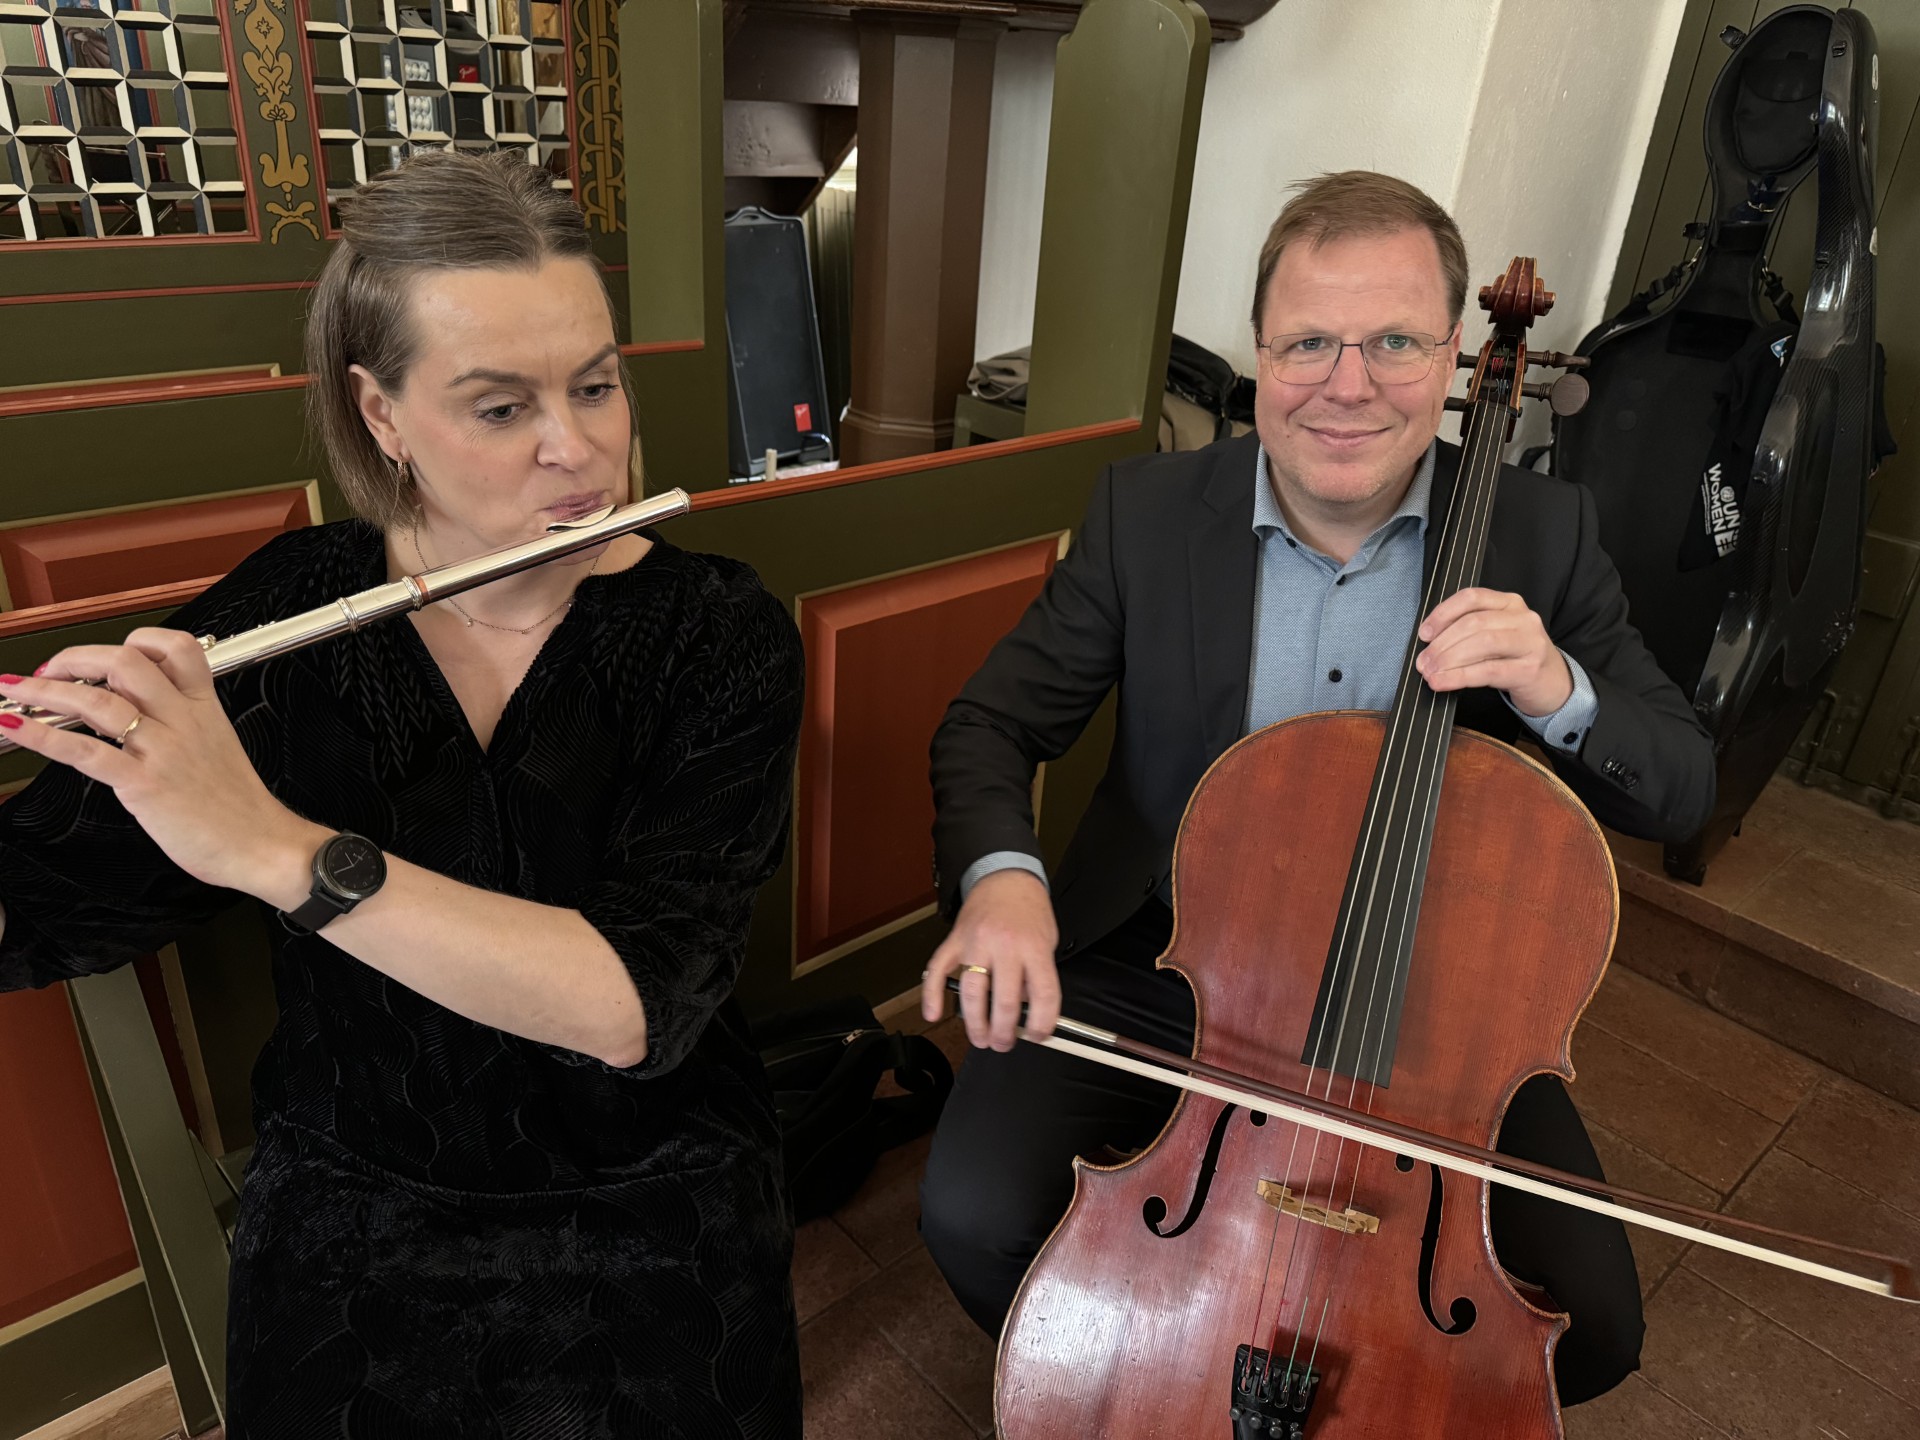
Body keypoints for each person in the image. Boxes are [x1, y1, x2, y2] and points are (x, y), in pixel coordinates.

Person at [0, 151, 803, 1437]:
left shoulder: (719, 635)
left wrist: (271, 849)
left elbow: (635, 1008)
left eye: (596, 385)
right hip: (354, 1193)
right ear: (379, 413)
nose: (579, 450)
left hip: (653, 1188)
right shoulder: (288, 608)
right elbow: (46, 895)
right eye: (501, 407)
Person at [917, 170, 1716, 1407]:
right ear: (1259, 354)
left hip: (1429, 999)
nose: (1348, 385)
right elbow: (991, 723)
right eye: (1308, 344)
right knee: (972, 1210)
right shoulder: (1147, 514)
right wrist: (1003, 883)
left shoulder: (1541, 533)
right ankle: (1142, 1398)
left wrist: (1558, 684)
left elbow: (1682, 787)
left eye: (1394, 342)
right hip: (1169, 959)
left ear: (1453, 356)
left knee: (1591, 1327)